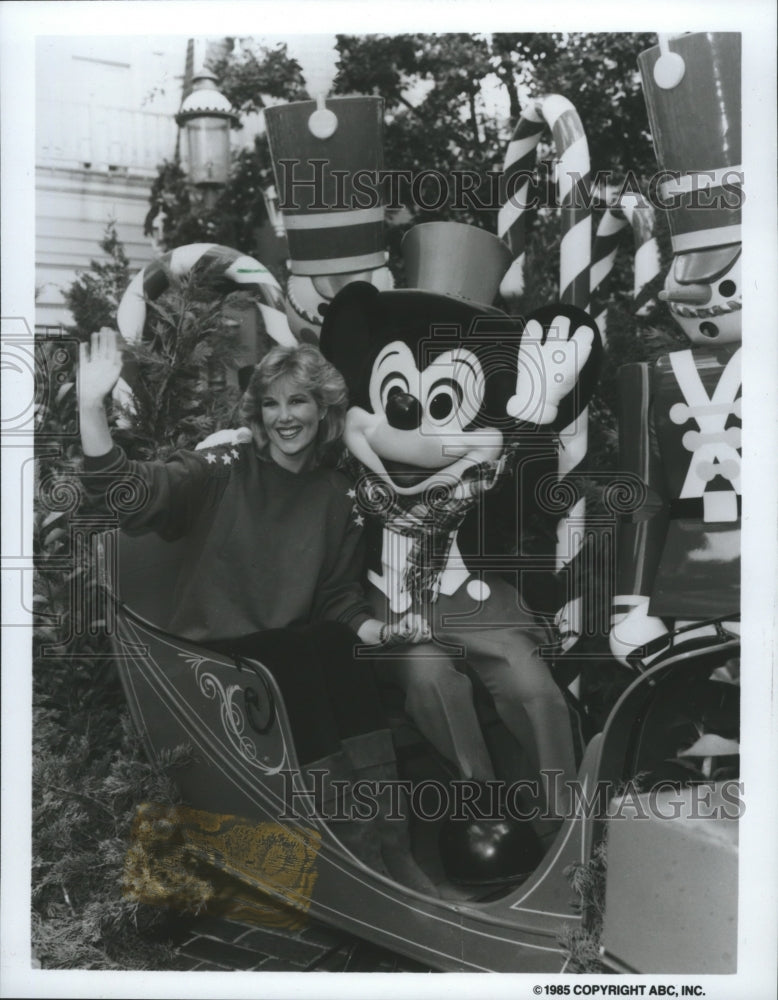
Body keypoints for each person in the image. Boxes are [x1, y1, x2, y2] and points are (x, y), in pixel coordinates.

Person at [77, 328, 436, 895]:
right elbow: (133, 493)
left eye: (298, 401)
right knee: (297, 648)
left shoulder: (336, 493)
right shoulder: (222, 466)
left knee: (336, 644)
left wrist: (379, 629)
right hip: (207, 653)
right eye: (271, 403)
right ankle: (350, 856)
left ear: (324, 409)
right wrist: (91, 409)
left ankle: (393, 847)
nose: (284, 416)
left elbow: (336, 599)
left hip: (283, 656)